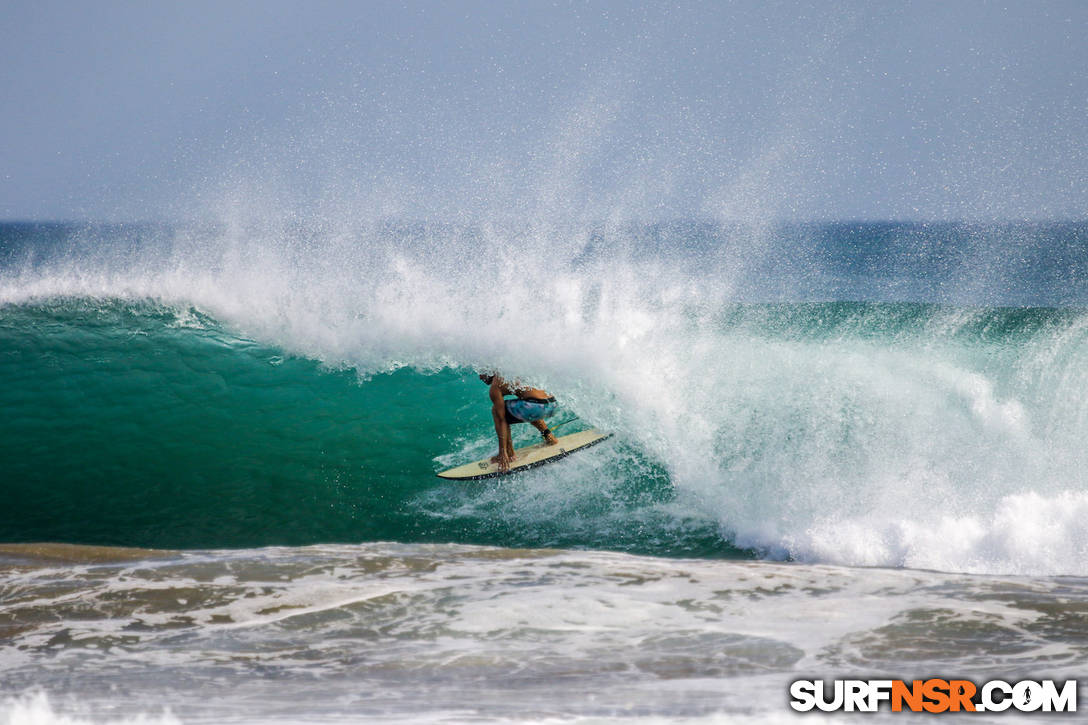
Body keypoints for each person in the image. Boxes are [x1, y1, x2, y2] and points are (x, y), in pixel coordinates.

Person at [479, 372, 559, 472]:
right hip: (552, 405)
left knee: (497, 411)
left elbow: (501, 420)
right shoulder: (511, 371)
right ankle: (550, 437)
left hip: (536, 407)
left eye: (481, 373)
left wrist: (502, 452)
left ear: (489, 371)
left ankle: (509, 453)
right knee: (524, 405)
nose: (480, 377)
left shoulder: (495, 387)